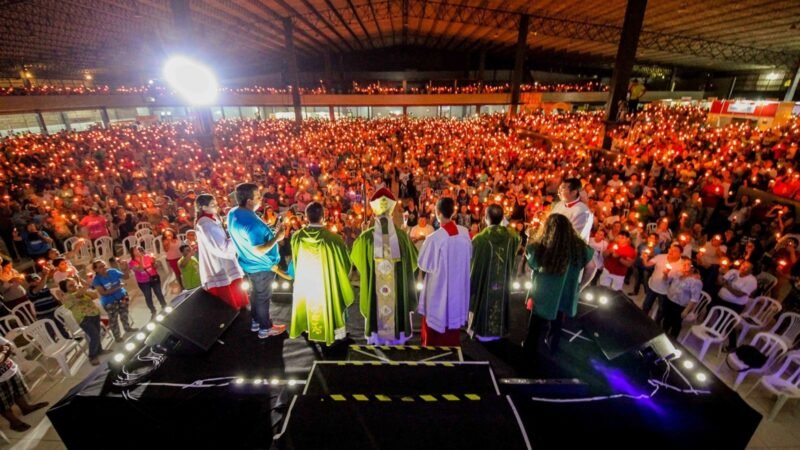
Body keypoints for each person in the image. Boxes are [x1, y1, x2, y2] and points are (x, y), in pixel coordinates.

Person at [351, 188, 419, 345]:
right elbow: (414, 262)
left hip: (376, 293)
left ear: (375, 212)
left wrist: (362, 233)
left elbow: (356, 260)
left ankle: (377, 338)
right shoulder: (402, 237)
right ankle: (398, 337)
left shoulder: (366, 238)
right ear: (391, 211)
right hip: (396, 293)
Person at [523, 214, 596, 355]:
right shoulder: (579, 247)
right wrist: (580, 286)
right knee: (557, 324)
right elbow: (592, 267)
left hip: (542, 293)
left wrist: (529, 239)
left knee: (535, 325)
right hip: (565, 293)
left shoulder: (542, 245)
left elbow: (530, 265)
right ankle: (552, 348)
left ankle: (529, 350)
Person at [289, 202, 354, 345]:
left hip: (308, 281)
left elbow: (296, 259)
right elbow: (345, 263)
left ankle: (309, 328)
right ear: (323, 217)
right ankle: (335, 332)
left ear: (306, 217)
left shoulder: (297, 237)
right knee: (332, 298)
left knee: (309, 302)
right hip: (326, 282)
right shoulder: (333, 239)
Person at [227, 183, 286, 339]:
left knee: (255, 294)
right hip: (261, 266)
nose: (261, 199)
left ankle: (256, 321)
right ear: (249, 201)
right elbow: (259, 249)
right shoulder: (251, 223)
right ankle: (265, 328)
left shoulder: (233, 212)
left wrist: (268, 231)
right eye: (258, 197)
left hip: (250, 264)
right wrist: (277, 237)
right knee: (262, 297)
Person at [417, 197, 472, 347]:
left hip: (439, 288)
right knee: (452, 317)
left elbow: (423, 264)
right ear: (453, 212)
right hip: (458, 285)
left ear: (438, 213)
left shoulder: (434, 238)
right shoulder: (465, 233)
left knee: (437, 315)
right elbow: (469, 256)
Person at [467, 204, 521, 341]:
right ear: (502, 218)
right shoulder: (511, 236)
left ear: (485, 218)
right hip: (503, 282)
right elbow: (517, 241)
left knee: (483, 299)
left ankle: (481, 331)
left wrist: (471, 284)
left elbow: (474, 264)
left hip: (485, 283)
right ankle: (499, 330)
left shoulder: (480, 239)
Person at [194, 194, 249, 309]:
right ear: (203, 207)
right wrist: (237, 237)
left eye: (216, 204)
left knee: (236, 294)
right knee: (228, 299)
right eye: (212, 205)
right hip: (218, 262)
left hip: (224, 260)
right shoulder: (205, 224)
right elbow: (220, 247)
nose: (216, 206)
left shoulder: (212, 218)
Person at [0, 336, 48, 431]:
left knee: (19, 392)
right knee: (3, 405)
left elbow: (9, 345)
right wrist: (3, 352)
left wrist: (3, 354)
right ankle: (14, 422)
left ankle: (25, 408)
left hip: (10, 370)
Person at [58, 279, 103, 365]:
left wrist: (85, 290)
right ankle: (92, 356)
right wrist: (81, 290)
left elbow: (95, 296)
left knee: (97, 333)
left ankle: (100, 350)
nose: (74, 286)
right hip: (84, 319)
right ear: (65, 289)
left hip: (94, 314)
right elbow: (74, 297)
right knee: (94, 336)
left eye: (74, 284)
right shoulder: (67, 297)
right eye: (70, 286)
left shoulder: (81, 291)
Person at [716, 261, 758, 350]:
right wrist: (720, 274)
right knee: (720, 316)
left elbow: (739, 294)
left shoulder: (752, 281)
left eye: (746, 267)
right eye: (743, 265)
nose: (743, 268)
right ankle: (716, 331)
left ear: (751, 271)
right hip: (721, 299)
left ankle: (732, 345)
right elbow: (720, 282)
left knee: (728, 323)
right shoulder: (733, 271)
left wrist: (726, 286)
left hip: (735, 304)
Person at [90, 259, 133, 341]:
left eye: (104, 265)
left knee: (124, 313)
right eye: (100, 267)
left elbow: (126, 277)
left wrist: (125, 269)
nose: (103, 268)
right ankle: (117, 336)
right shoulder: (96, 280)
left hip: (122, 296)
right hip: (109, 302)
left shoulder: (113, 271)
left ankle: (127, 328)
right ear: (95, 270)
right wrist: (118, 287)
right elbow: (103, 293)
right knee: (113, 320)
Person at [640, 243, 684, 317]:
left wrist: (666, 275)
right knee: (646, 305)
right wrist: (645, 258)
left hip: (665, 291)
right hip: (653, 286)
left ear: (680, 254)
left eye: (675, 251)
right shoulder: (660, 257)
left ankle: (656, 321)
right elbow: (647, 264)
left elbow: (675, 280)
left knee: (661, 310)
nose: (671, 252)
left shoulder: (681, 265)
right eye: (671, 249)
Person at [662, 259, 703, 338]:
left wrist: (686, 311)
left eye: (688, 264)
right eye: (684, 264)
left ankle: (672, 339)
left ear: (693, 268)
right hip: (669, 299)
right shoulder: (678, 273)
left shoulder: (695, 281)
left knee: (675, 324)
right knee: (666, 319)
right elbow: (666, 281)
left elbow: (694, 298)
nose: (684, 265)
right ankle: (662, 335)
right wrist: (665, 274)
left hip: (679, 305)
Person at [128, 246, 168, 318]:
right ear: (132, 253)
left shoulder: (147, 257)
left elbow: (156, 267)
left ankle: (164, 305)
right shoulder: (132, 262)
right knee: (148, 296)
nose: (138, 251)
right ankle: (153, 311)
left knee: (159, 293)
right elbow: (140, 269)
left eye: (138, 249)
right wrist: (141, 258)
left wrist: (154, 262)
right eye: (135, 250)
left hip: (154, 277)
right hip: (143, 282)